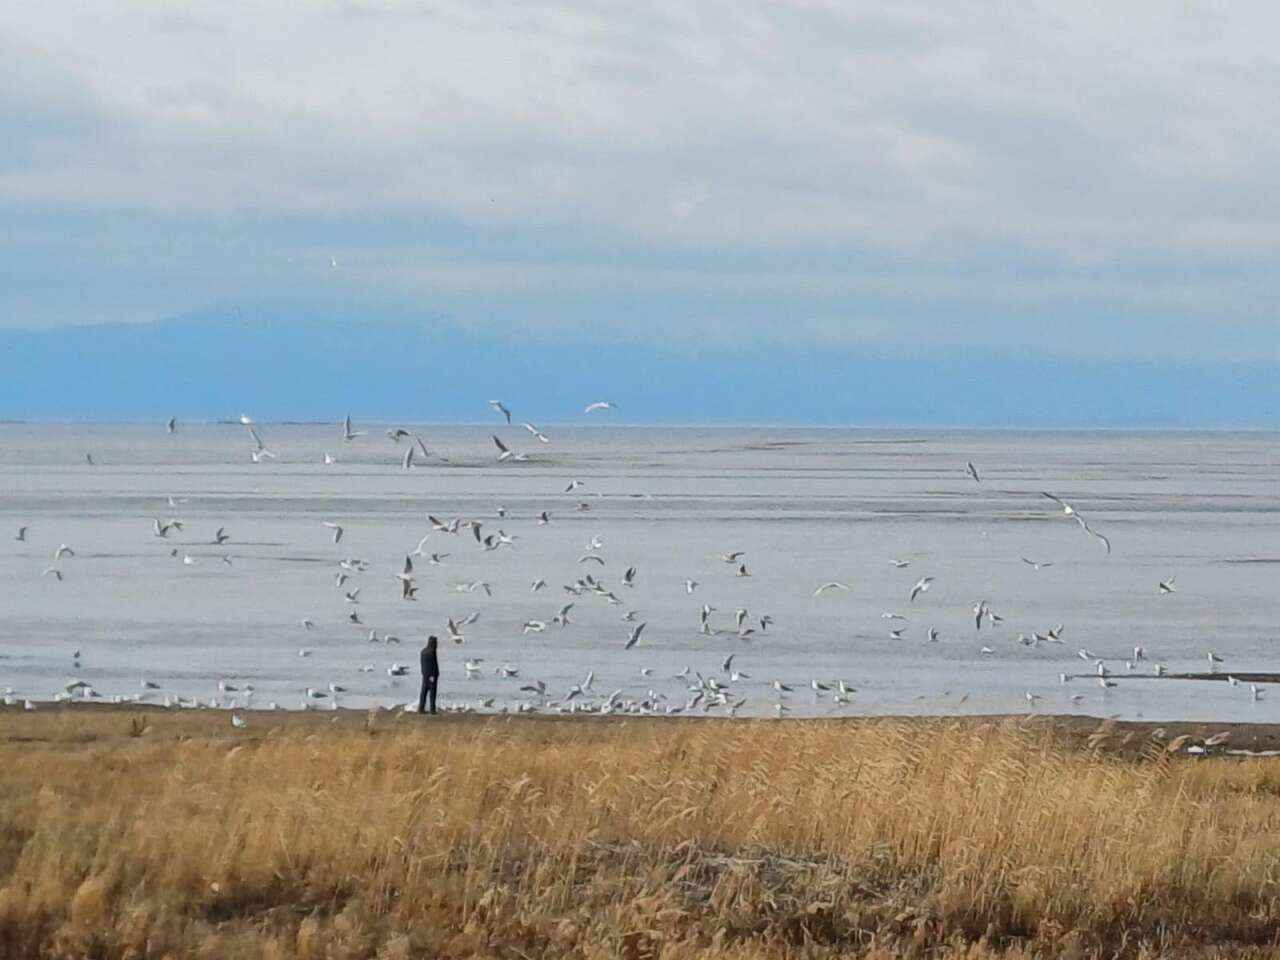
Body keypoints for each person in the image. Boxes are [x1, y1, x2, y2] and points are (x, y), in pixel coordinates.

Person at [418, 635, 440, 714]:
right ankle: (432, 709)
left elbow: (422, 663)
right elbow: (433, 664)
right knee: (432, 692)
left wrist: (423, 672)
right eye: (436, 643)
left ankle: (421, 708)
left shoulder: (423, 651)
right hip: (432, 675)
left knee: (423, 691)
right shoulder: (432, 651)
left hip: (425, 674)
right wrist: (434, 674)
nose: (437, 644)